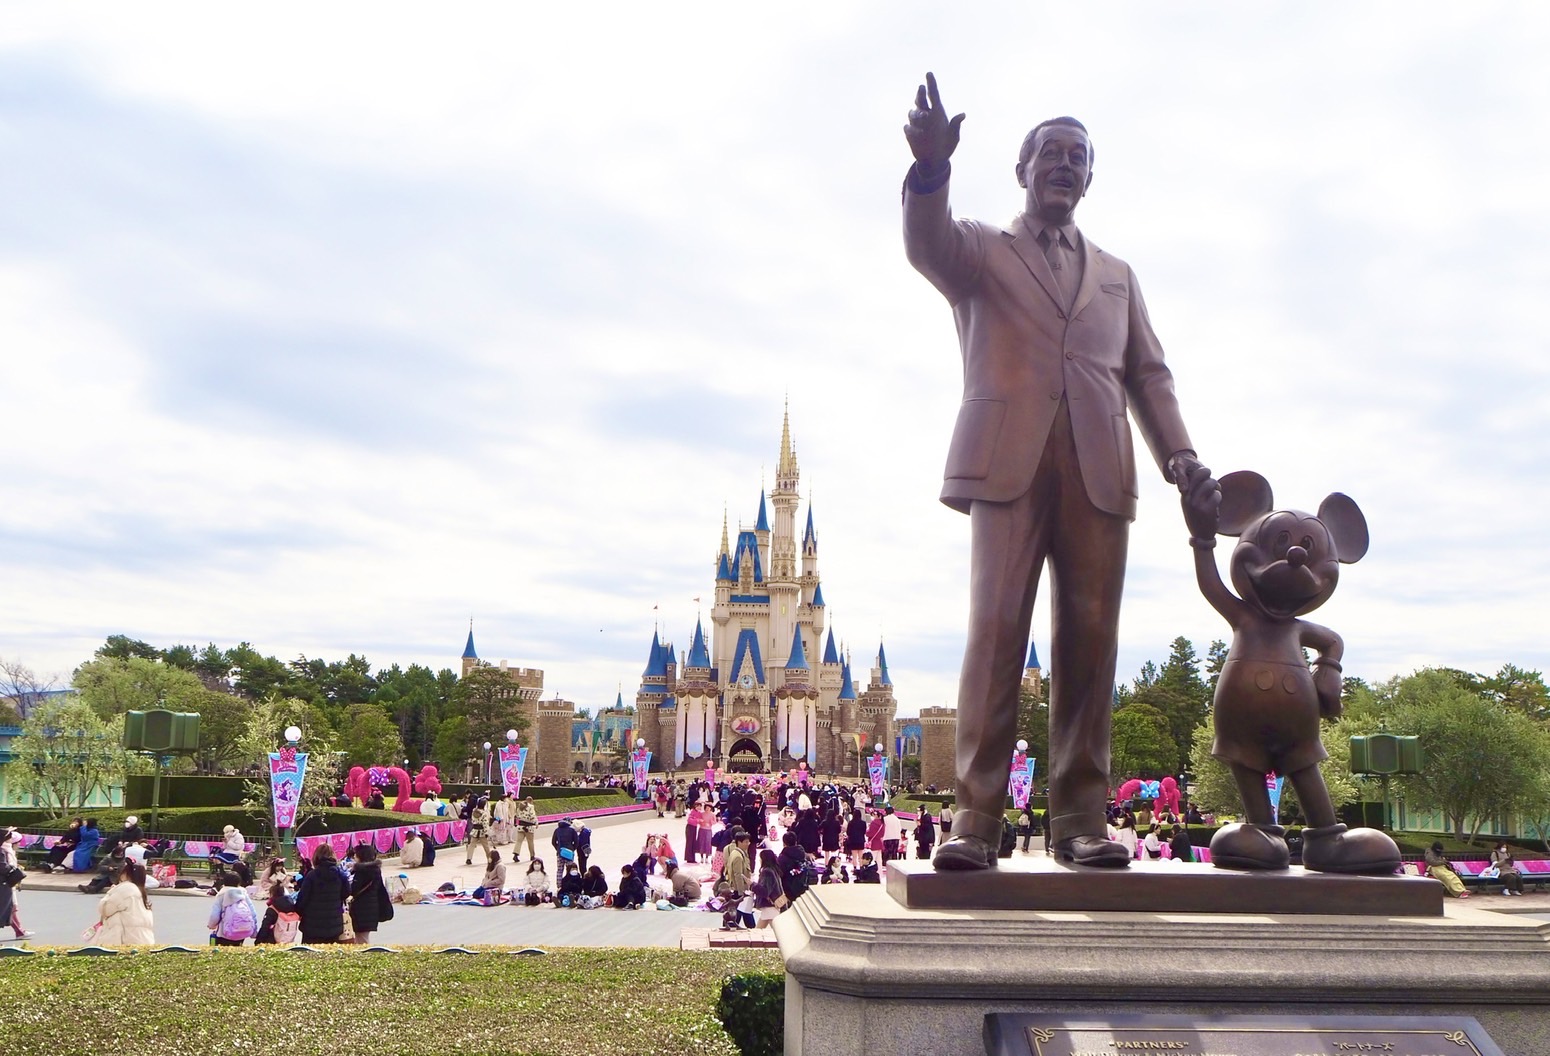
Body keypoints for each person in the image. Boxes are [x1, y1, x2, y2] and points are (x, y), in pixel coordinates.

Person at [903, 73, 1200, 872]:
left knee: (1091, 641)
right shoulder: (981, 250)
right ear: (1023, 169)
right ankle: (975, 819)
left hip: (1101, 464)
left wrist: (1180, 455)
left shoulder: (1117, 274)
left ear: (1090, 177)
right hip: (1009, 461)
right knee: (997, 630)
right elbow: (924, 245)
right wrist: (930, 172)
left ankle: (1080, 820)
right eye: (1051, 155)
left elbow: (1149, 374)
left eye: (1079, 158)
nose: (1064, 167)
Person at [295, 844, 350, 942]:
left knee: (310, 955)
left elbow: (302, 900)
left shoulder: (311, 876)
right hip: (334, 924)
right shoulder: (340, 874)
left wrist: (300, 912)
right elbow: (346, 893)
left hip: (312, 925)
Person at [95, 859, 154, 945]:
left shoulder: (126, 888)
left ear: (126, 874)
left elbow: (105, 909)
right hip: (142, 941)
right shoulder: (140, 892)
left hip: (125, 942)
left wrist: (110, 892)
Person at [207, 869, 261, 946]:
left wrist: (211, 925)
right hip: (242, 931)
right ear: (239, 883)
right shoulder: (243, 894)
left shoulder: (222, 894)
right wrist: (254, 931)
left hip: (224, 933)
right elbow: (252, 912)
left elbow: (215, 914)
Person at [0, 828, 34, 939]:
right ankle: (19, 931)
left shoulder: (5, 849)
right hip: (4, 883)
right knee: (8, 907)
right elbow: (4, 867)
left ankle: (19, 931)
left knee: (10, 908)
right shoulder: (4, 850)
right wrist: (13, 868)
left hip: (5, 882)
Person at [753, 849, 786, 929]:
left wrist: (752, 885)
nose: (759, 860)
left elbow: (765, 891)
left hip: (769, 905)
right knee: (761, 930)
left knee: (774, 932)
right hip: (773, 905)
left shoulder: (767, 872)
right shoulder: (774, 870)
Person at [464, 796, 493, 865]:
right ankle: (489, 859)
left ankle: (469, 858)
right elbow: (485, 823)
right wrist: (487, 832)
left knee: (471, 845)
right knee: (486, 846)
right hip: (482, 831)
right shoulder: (484, 813)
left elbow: (473, 820)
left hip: (475, 830)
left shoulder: (474, 811)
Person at [514, 797, 538, 862]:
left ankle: (516, 854)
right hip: (529, 826)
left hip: (521, 826)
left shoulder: (519, 807)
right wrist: (536, 822)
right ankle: (532, 856)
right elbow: (532, 816)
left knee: (519, 841)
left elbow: (517, 816)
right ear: (531, 801)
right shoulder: (531, 807)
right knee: (530, 841)